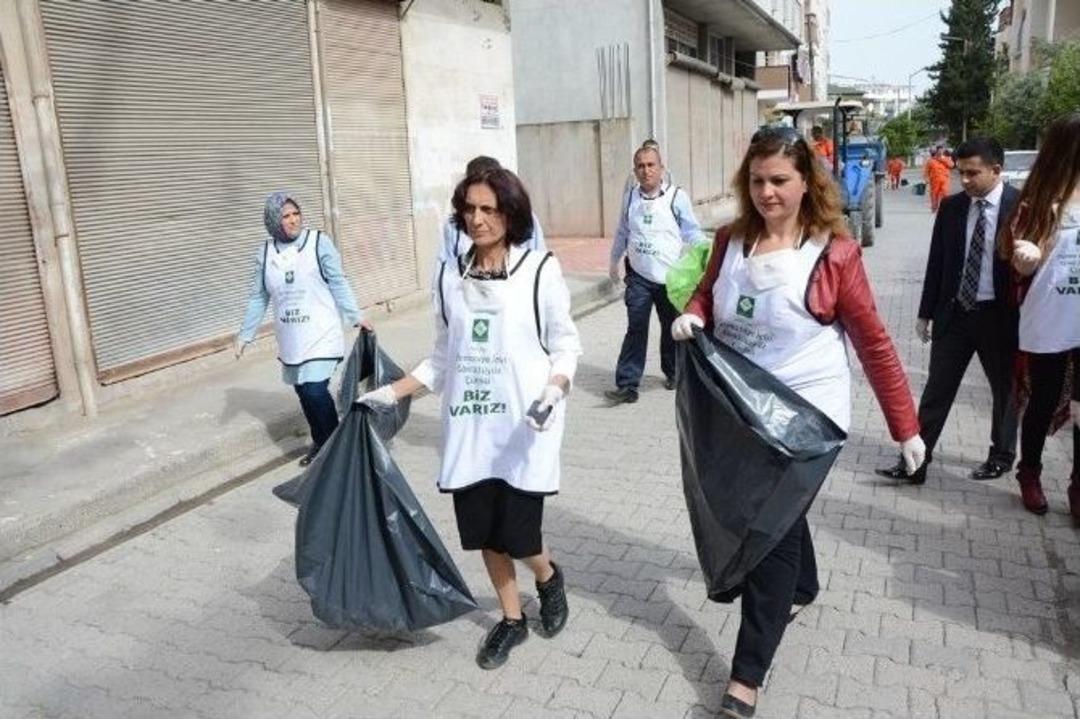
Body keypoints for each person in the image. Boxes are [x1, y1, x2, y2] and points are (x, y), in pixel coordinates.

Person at [670, 125, 923, 718]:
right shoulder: (731, 241)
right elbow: (708, 296)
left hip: (809, 418)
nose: (767, 193)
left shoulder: (833, 253)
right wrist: (694, 315)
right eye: (756, 181)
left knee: (767, 535)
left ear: (807, 182)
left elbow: (875, 343)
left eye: (780, 180)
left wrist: (905, 426)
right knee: (781, 512)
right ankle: (804, 588)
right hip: (742, 411)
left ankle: (746, 676)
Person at [357, 167, 581, 669]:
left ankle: (547, 577)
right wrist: (389, 394)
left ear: (510, 213)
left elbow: (566, 346)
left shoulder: (540, 269)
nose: (478, 219)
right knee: (484, 532)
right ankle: (511, 620)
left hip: (525, 430)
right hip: (471, 429)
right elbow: (442, 359)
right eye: (470, 209)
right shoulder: (448, 276)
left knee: (520, 536)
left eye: (489, 209)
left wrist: (553, 390)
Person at [876, 138, 1020, 485]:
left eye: (973, 173)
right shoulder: (952, 207)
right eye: (961, 173)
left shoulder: (1021, 207)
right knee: (937, 390)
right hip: (954, 315)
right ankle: (916, 461)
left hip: (1000, 318)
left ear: (996, 171)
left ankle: (1001, 455)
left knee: (1005, 390)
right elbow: (937, 263)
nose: (965, 180)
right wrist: (926, 313)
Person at [235, 192, 368, 466]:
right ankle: (321, 441)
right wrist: (245, 334)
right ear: (273, 221)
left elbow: (338, 281)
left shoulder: (319, 243)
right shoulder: (265, 253)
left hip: (320, 333)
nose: (293, 220)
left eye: (296, 214)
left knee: (314, 390)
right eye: (286, 216)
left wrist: (354, 315)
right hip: (291, 337)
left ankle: (336, 450)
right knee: (302, 391)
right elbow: (258, 296)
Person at [996, 113, 1080, 516]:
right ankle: (1029, 472)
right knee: (1043, 400)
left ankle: (1078, 484)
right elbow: (1018, 255)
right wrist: (1027, 258)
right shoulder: (1037, 200)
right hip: (1049, 316)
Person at [606, 145, 704, 403]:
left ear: (661, 168)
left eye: (651, 165)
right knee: (636, 328)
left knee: (671, 329)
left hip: (670, 280)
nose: (646, 170)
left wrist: (707, 255)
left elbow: (692, 232)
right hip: (638, 277)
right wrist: (614, 261)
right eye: (640, 165)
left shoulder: (676, 197)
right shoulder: (630, 198)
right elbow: (622, 232)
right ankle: (627, 384)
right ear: (635, 170)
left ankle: (673, 372)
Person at [437, 156, 546, 263]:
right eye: (470, 209)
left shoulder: (525, 217)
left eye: (488, 210)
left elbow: (538, 254)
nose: (476, 220)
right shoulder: (452, 225)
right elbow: (445, 263)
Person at [925, 146, 954, 213]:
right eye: (940, 150)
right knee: (934, 194)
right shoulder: (931, 160)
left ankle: (945, 207)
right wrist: (926, 179)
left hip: (945, 180)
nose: (941, 151)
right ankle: (934, 206)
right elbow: (926, 171)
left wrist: (942, 160)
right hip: (934, 180)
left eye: (942, 150)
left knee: (945, 193)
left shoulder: (946, 158)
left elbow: (951, 165)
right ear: (937, 151)